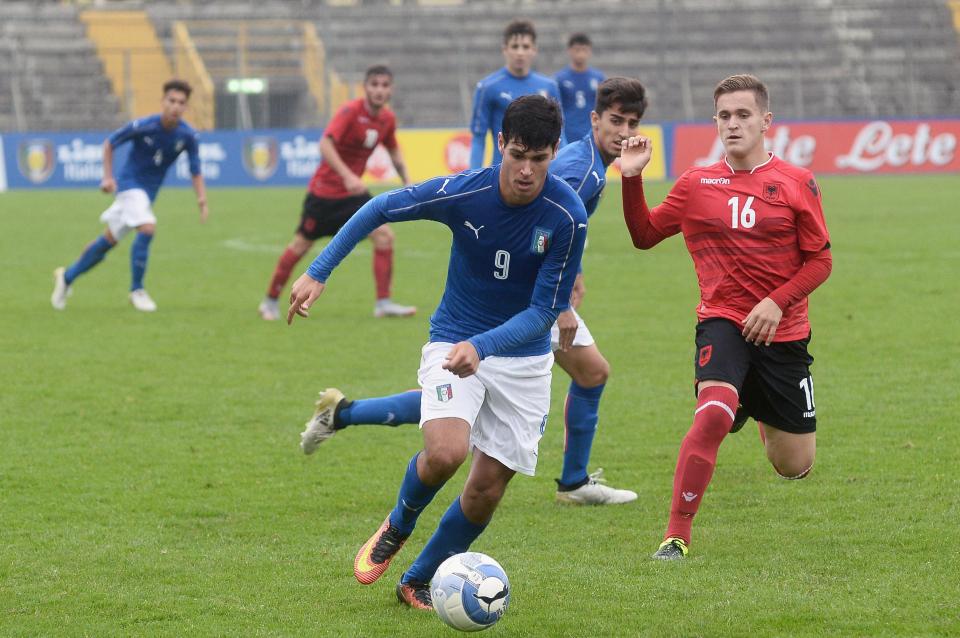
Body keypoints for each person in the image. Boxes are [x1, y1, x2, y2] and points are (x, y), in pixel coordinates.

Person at [287, 95, 586, 609]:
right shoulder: (464, 193)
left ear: (554, 152)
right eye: (518, 154)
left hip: (524, 359)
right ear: (501, 145)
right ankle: (398, 524)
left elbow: (544, 312)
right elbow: (382, 206)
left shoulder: (567, 216)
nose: (526, 171)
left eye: (539, 159)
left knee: (487, 489)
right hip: (454, 337)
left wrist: (485, 346)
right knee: (446, 452)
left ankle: (417, 580)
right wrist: (320, 269)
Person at [300, 78, 651, 506]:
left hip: (529, 299)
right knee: (587, 374)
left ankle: (343, 413)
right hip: (522, 306)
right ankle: (574, 483)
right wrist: (559, 308)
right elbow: (538, 225)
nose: (623, 131)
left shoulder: (591, 163)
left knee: (456, 400)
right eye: (616, 120)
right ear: (594, 120)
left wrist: (571, 274)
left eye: (632, 123)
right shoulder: (579, 171)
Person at [618, 74, 833, 560]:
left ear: (765, 121)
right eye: (724, 116)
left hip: (784, 332)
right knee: (713, 413)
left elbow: (820, 260)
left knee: (793, 466)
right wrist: (631, 177)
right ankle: (676, 536)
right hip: (723, 321)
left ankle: (753, 402)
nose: (733, 124)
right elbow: (645, 235)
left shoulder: (798, 183)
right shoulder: (696, 183)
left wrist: (777, 301)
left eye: (743, 115)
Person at [257, 65, 415, 321]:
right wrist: (347, 176)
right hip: (325, 195)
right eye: (374, 84)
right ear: (365, 87)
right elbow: (325, 143)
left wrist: (407, 179)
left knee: (384, 236)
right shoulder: (350, 112)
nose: (379, 90)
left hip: (354, 197)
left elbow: (393, 149)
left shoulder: (387, 119)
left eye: (385, 85)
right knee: (300, 245)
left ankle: (383, 303)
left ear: (391, 90)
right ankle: (270, 301)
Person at [51, 79, 207, 312]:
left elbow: (195, 170)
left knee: (107, 242)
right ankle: (137, 290)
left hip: (147, 194)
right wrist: (107, 177)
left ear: (186, 107)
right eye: (171, 101)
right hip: (129, 186)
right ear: (163, 101)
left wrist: (201, 199)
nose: (175, 106)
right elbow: (110, 143)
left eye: (181, 103)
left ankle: (67, 277)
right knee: (147, 228)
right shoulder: (144, 125)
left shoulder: (187, 136)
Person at [469, 19, 564, 169]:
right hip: (501, 172)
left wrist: (563, 171)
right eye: (515, 46)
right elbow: (478, 138)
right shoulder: (487, 87)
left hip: (539, 174)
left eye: (525, 47)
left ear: (534, 49)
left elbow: (560, 135)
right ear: (505, 49)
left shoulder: (549, 86)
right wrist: (473, 178)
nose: (520, 52)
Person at [555, 33, 606, 144]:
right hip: (569, 133)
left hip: (592, 132)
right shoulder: (560, 79)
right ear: (569, 51)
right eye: (577, 50)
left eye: (584, 50)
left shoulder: (598, 78)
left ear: (589, 51)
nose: (581, 54)